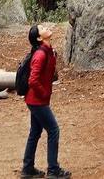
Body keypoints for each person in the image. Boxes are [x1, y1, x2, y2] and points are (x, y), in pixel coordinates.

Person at [21, 24, 71, 179]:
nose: (46, 28)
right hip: (37, 100)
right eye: (42, 28)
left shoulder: (48, 51)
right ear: (39, 38)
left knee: (35, 132)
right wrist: (44, 93)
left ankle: (28, 169)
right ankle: (53, 170)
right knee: (53, 130)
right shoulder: (40, 55)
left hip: (35, 100)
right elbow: (33, 80)